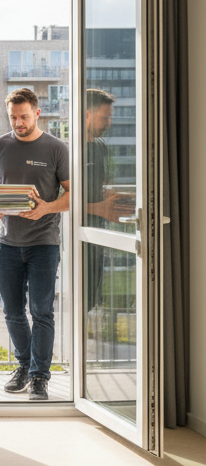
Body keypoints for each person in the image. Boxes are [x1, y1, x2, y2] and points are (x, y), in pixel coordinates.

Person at [0, 87, 70, 401]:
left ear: (37, 113)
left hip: (44, 243)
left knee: (42, 311)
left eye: (24, 117)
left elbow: (72, 196)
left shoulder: (57, 148)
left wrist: (45, 207)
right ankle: (25, 366)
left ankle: (40, 378)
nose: (18, 123)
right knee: (12, 312)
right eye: (13, 117)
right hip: (7, 243)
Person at [84, 88, 124, 309]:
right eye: (104, 117)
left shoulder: (101, 148)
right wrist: (101, 208)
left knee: (92, 299)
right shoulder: (70, 150)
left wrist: (116, 199)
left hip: (97, 233)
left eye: (110, 117)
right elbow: (59, 199)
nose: (108, 123)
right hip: (77, 236)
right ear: (87, 114)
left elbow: (99, 188)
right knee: (81, 297)